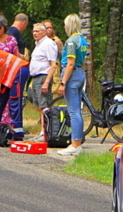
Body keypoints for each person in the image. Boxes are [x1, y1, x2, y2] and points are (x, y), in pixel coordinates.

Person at [57, 13, 90, 156]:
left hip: (72, 75)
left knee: (73, 111)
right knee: (78, 111)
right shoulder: (82, 40)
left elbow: (70, 62)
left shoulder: (71, 41)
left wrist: (63, 81)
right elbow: (83, 61)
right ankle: (78, 142)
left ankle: (75, 144)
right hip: (80, 74)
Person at [27, 22, 58, 140]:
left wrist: (46, 82)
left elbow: (53, 65)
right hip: (35, 77)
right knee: (39, 104)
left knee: (44, 104)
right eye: (33, 31)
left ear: (44, 32)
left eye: (37, 31)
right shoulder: (38, 44)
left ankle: (46, 131)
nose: (35, 33)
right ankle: (42, 131)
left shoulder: (48, 44)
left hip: (43, 76)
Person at [6, 13, 31, 140]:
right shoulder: (13, 33)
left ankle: (16, 127)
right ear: (24, 23)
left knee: (16, 99)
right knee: (15, 98)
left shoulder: (12, 32)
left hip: (16, 69)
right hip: (16, 70)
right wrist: (20, 57)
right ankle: (16, 128)